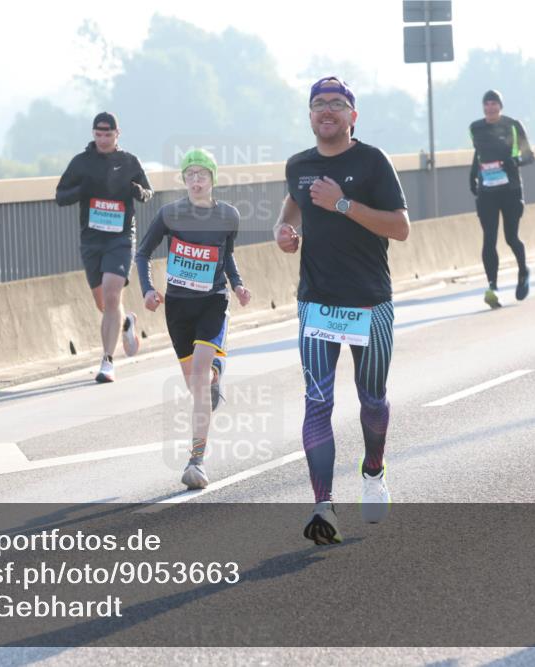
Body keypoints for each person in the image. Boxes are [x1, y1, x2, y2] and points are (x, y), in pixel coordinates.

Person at [274, 77, 410, 544]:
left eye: (336, 103)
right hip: (316, 303)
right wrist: (283, 232)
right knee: (317, 402)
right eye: (318, 104)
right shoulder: (299, 165)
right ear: (310, 115)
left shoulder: (372, 161)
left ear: (353, 115)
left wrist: (343, 204)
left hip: (369, 303)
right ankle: (323, 505)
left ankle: (373, 470)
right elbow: (293, 207)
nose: (326, 110)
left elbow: (400, 228)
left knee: (372, 399)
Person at [135, 148, 251, 489]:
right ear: (184, 179)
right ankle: (215, 374)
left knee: (198, 379)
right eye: (190, 175)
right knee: (196, 385)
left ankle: (196, 461)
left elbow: (227, 256)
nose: (196, 180)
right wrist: (147, 289)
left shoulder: (228, 216)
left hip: (213, 302)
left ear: (212, 178)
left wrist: (238, 285)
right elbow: (142, 253)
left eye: (202, 174)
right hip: (178, 308)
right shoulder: (170, 214)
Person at [55, 112, 153, 383]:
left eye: (107, 134)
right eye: (98, 134)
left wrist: (138, 191)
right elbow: (60, 196)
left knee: (112, 295)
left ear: (117, 134)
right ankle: (126, 322)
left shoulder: (129, 161)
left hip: (120, 238)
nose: (102, 139)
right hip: (92, 240)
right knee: (104, 303)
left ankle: (107, 361)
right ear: (93, 134)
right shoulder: (81, 162)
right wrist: (81, 191)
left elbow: (148, 192)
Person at [469, 90, 535, 308]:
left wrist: (514, 162)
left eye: (494, 104)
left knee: (511, 237)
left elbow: (529, 156)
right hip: (487, 191)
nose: (490, 108)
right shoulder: (475, 128)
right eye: (486, 104)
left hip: (511, 189)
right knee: (489, 238)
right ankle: (492, 286)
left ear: (500, 106)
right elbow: (479, 154)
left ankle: (523, 272)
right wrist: (473, 176)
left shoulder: (512, 125)